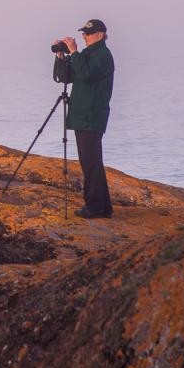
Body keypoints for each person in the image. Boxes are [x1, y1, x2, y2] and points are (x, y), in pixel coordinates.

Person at [52, 19, 115, 219]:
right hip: (83, 115)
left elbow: (87, 74)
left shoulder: (103, 55)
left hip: (92, 115)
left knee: (90, 162)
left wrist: (75, 52)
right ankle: (103, 207)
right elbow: (65, 77)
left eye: (88, 34)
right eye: (83, 34)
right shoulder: (87, 54)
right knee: (91, 161)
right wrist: (61, 56)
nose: (84, 37)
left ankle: (95, 207)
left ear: (100, 35)